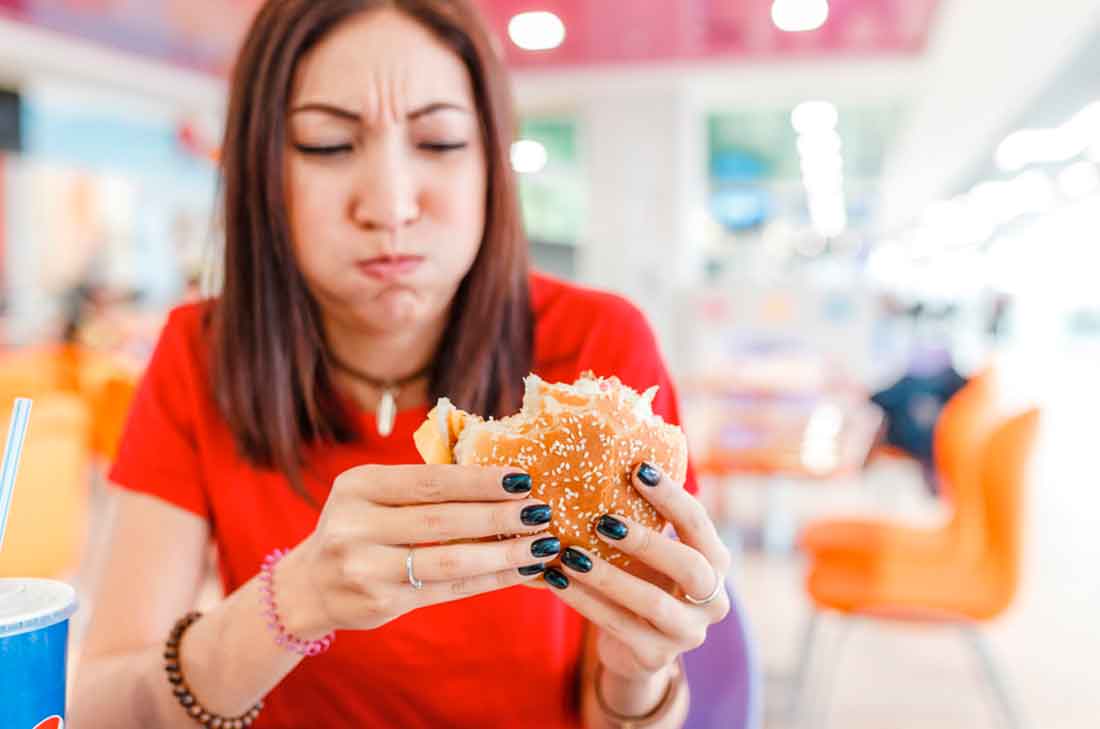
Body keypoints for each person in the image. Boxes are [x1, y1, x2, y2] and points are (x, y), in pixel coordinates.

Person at [70, 2, 733, 727]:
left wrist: (638, 674)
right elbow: (101, 707)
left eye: (440, 140)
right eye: (326, 144)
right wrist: (293, 600)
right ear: (263, 171)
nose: (389, 205)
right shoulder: (200, 353)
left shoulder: (600, 347)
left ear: (492, 164)